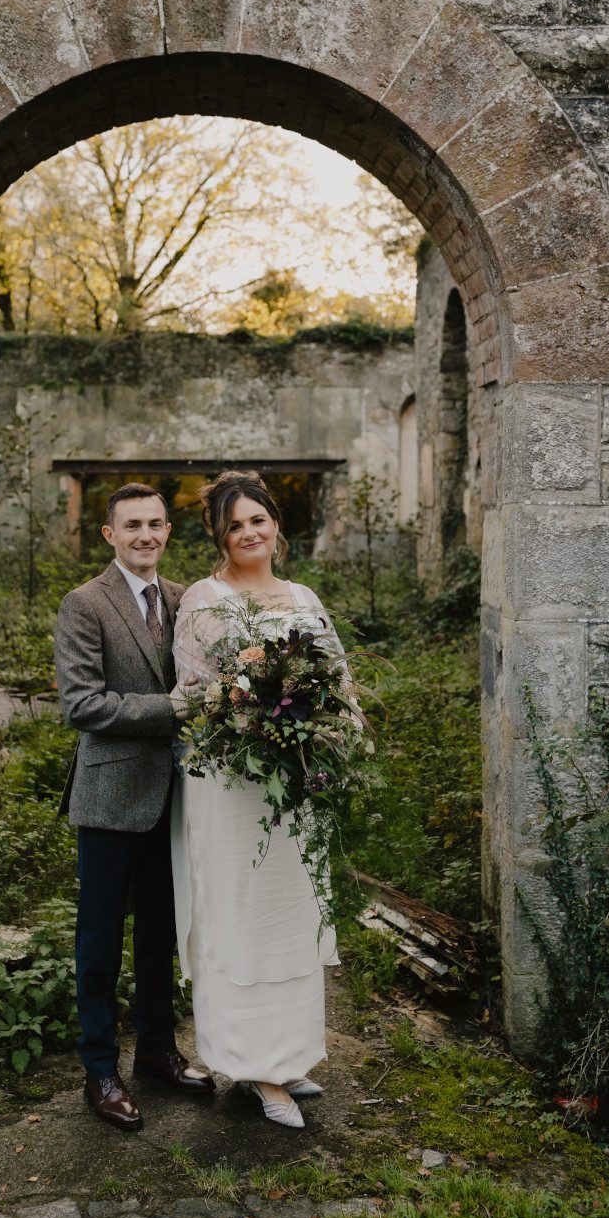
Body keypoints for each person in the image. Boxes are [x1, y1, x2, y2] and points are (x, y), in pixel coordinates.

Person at [170, 470, 352, 1129]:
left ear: (276, 524)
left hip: (294, 784)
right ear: (220, 535)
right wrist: (244, 711)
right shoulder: (205, 598)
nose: (249, 533)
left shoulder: (302, 596)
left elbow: (337, 678)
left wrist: (335, 725)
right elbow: (190, 694)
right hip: (227, 784)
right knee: (239, 915)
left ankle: (292, 1056)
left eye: (258, 520)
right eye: (235, 525)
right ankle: (251, 1068)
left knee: (290, 914)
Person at [55, 483, 216, 1132]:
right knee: (98, 945)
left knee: (158, 938)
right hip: (108, 798)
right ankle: (100, 1070)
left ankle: (156, 1051)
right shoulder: (85, 604)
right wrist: (171, 709)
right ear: (109, 535)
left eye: (155, 523)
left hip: (174, 799)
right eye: (132, 526)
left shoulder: (188, 602)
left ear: (169, 530)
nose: (145, 535)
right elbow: (82, 704)